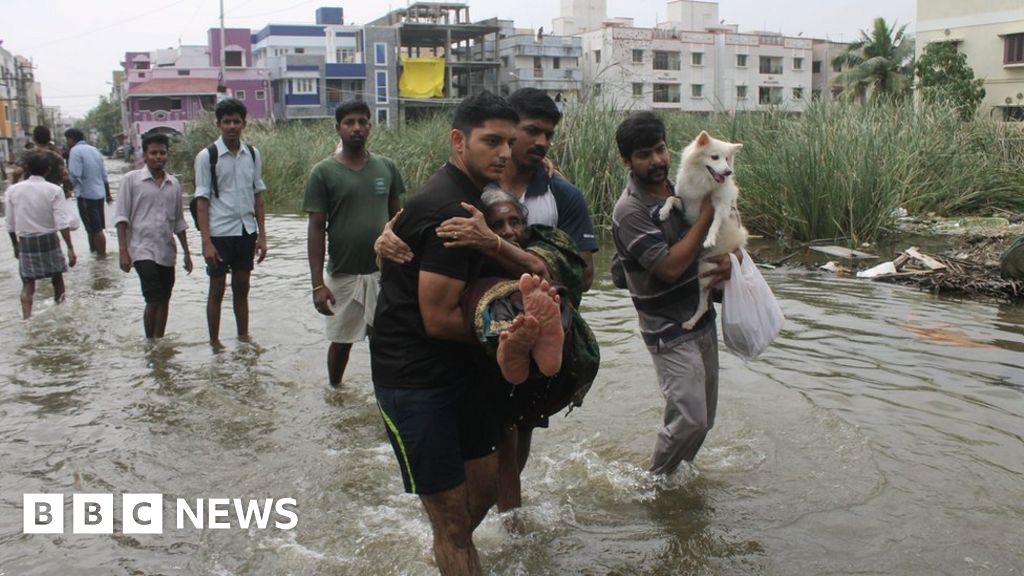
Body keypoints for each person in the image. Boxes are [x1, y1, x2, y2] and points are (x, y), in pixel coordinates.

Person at [370, 91, 520, 576]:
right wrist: (512, 338)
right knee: (454, 524)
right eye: (491, 141)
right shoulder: (447, 211)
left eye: (508, 143)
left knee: (484, 490)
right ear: (459, 141)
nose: (503, 153)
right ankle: (449, 548)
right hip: (414, 374)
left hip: (461, 367)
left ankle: (445, 549)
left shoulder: (475, 199)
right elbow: (436, 319)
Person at [439, 187, 600, 512]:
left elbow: (556, 269)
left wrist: (494, 243)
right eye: (499, 225)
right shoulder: (467, 261)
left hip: (542, 373)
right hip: (492, 367)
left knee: (546, 295)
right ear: (483, 225)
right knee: (505, 443)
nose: (509, 231)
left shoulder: (540, 245)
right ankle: (513, 348)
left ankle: (534, 346)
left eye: (515, 222)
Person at [611, 112, 736, 475]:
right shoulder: (630, 210)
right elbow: (668, 268)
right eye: (644, 155)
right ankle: (654, 485)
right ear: (627, 162)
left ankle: (676, 484)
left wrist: (732, 263)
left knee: (704, 421)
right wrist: (704, 219)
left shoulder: (682, 188)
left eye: (661, 149)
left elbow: (725, 231)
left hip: (700, 320)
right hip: (667, 330)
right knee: (689, 419)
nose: (656, 161)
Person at [305, 100, 405, 386]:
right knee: (340, 342)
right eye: (350, 122)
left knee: (384, 342)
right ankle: (335, 393)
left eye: (362, 121)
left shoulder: (387, 168)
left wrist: (403, 273)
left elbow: (398, 221)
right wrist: (317, 284)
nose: (357, 128)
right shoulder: (322, 173)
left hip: (381, 274)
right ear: (338, 128)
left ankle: (384, 399)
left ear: (370, 126)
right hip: (343, 274)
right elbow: (315, 228)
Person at [193, 98, 268, 344]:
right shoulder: (207, 156)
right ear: (218, 124)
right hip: (219, 233)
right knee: (216, 290)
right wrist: (206, 242)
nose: (232, 126)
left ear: (244, 124)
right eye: (227, 122)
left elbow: (258, 196)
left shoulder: (253, 155)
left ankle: (243, 340)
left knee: (242, 288)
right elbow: (201, 202)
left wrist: (262, 236)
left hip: (246, 231)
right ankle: (214, 343)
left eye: (237, 121)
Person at [114, 133, 193, 339]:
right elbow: (122, 218)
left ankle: (160, 341)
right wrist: (123, 251)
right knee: (153, 297)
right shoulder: (131, 181)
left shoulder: (173, 184)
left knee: (165, 297)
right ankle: (151, 343)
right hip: (141, 249)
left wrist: (187, 253)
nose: (158, 157)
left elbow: (178, 221)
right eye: (154, 153)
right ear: (145, 155)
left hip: (166, 250)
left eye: (162, 153)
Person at [5, 152, 77, 319]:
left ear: (28, 169)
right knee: (57, 278)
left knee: (28, 284)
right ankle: (61, 312)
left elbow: (10, 222)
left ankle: (27, 319)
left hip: (26, 241)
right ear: (48, 170)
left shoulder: (13, 190)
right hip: (49, 239)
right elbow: (62, 222)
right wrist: (70, 248)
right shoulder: (54, 190)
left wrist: (15, 245)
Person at [65, 127, 112, 255]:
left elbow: (75, 174)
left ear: (71, 139)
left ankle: (101, 257)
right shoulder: (95, 150)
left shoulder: (74, 151)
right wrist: (108, 194)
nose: (66, 143)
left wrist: (68, 189)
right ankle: (95, 254)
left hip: (86, 195)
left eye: (67, 140)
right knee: (96, 227)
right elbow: (104, 174)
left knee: (94, 229)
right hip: (99, 194)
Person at [13, 126, 70, 193]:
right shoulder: (56, 157)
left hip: (31, 193)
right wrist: (66, 191)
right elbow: (65, 177)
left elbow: (17, 172)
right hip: (51, 193)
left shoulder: (27, 155)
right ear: (49, 139)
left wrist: (14, 185)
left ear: (34, 139)